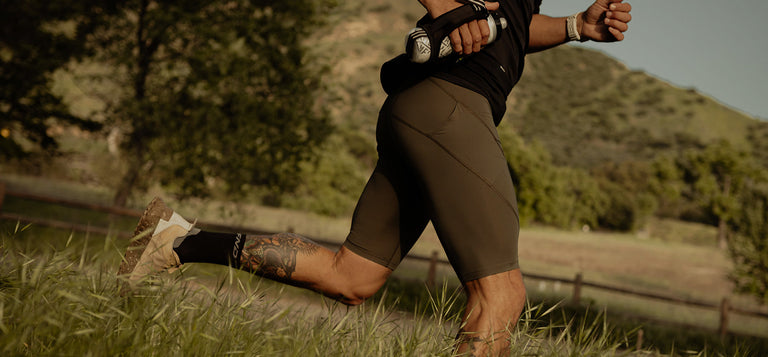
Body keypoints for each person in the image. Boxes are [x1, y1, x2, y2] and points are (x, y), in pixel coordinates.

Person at [118, 0, 632, 355]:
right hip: (453, 103)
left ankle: (178, 241)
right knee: (501, 296)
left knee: (352, 277)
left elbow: (510, 27)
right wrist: (445, 8)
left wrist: (574, 27)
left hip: (426, 105)